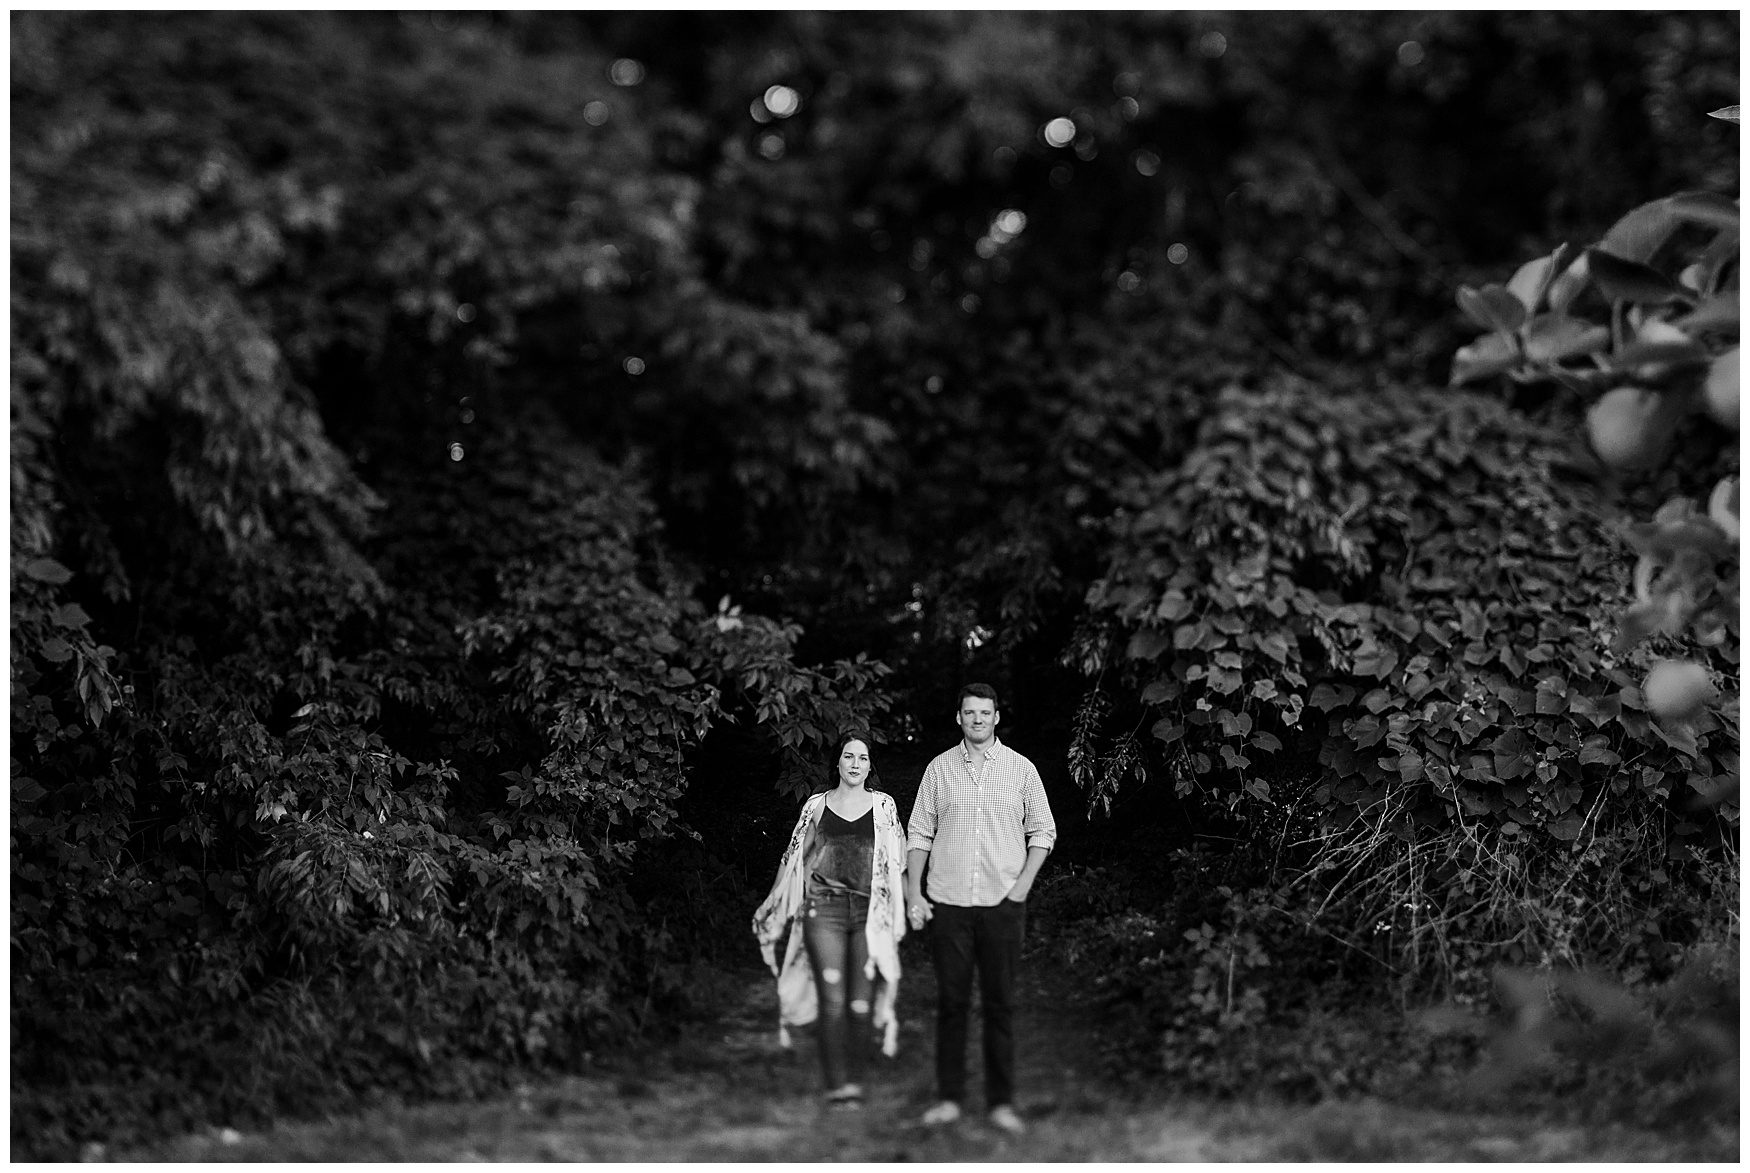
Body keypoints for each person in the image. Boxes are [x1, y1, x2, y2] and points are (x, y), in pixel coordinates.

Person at [905, 683, 1056, 1135]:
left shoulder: (1021, 769)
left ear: (995, 718)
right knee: (952, 1004)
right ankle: (950, 1099)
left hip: (1001, 905)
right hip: (948, 902)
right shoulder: (938, 770)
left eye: (984, 712)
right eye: (969, 712)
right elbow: (919, 834)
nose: (977, 719)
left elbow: (1043, 832)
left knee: (1000, 1005)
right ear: (959, 718)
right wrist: (914, 891)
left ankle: (1001, 1104)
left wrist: (1021, 888)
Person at [752, 733, 908, 1109]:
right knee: (834, 1002)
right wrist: (773, 905)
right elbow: (793, 860)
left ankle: (855, 1080)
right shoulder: (817, 807)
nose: (855, 764)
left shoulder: (884, 807)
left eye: (863, 758)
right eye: (848, 756)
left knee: (860, 1004)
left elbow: (898, 863)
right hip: (825, 912)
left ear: (871, 766)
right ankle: (838, 1086)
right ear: (836, 762)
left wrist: (905, 911)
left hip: (871, 914)